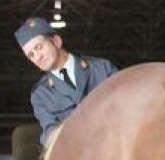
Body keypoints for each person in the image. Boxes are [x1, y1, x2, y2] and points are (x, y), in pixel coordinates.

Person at [14, 17, 118, 146]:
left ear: (56, 41)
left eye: (39, 47)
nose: (37, 57)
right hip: (79, 154)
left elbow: (126, 108)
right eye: (31, 54)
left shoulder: (102, 69)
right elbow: (49, 133)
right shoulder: (41, 95)